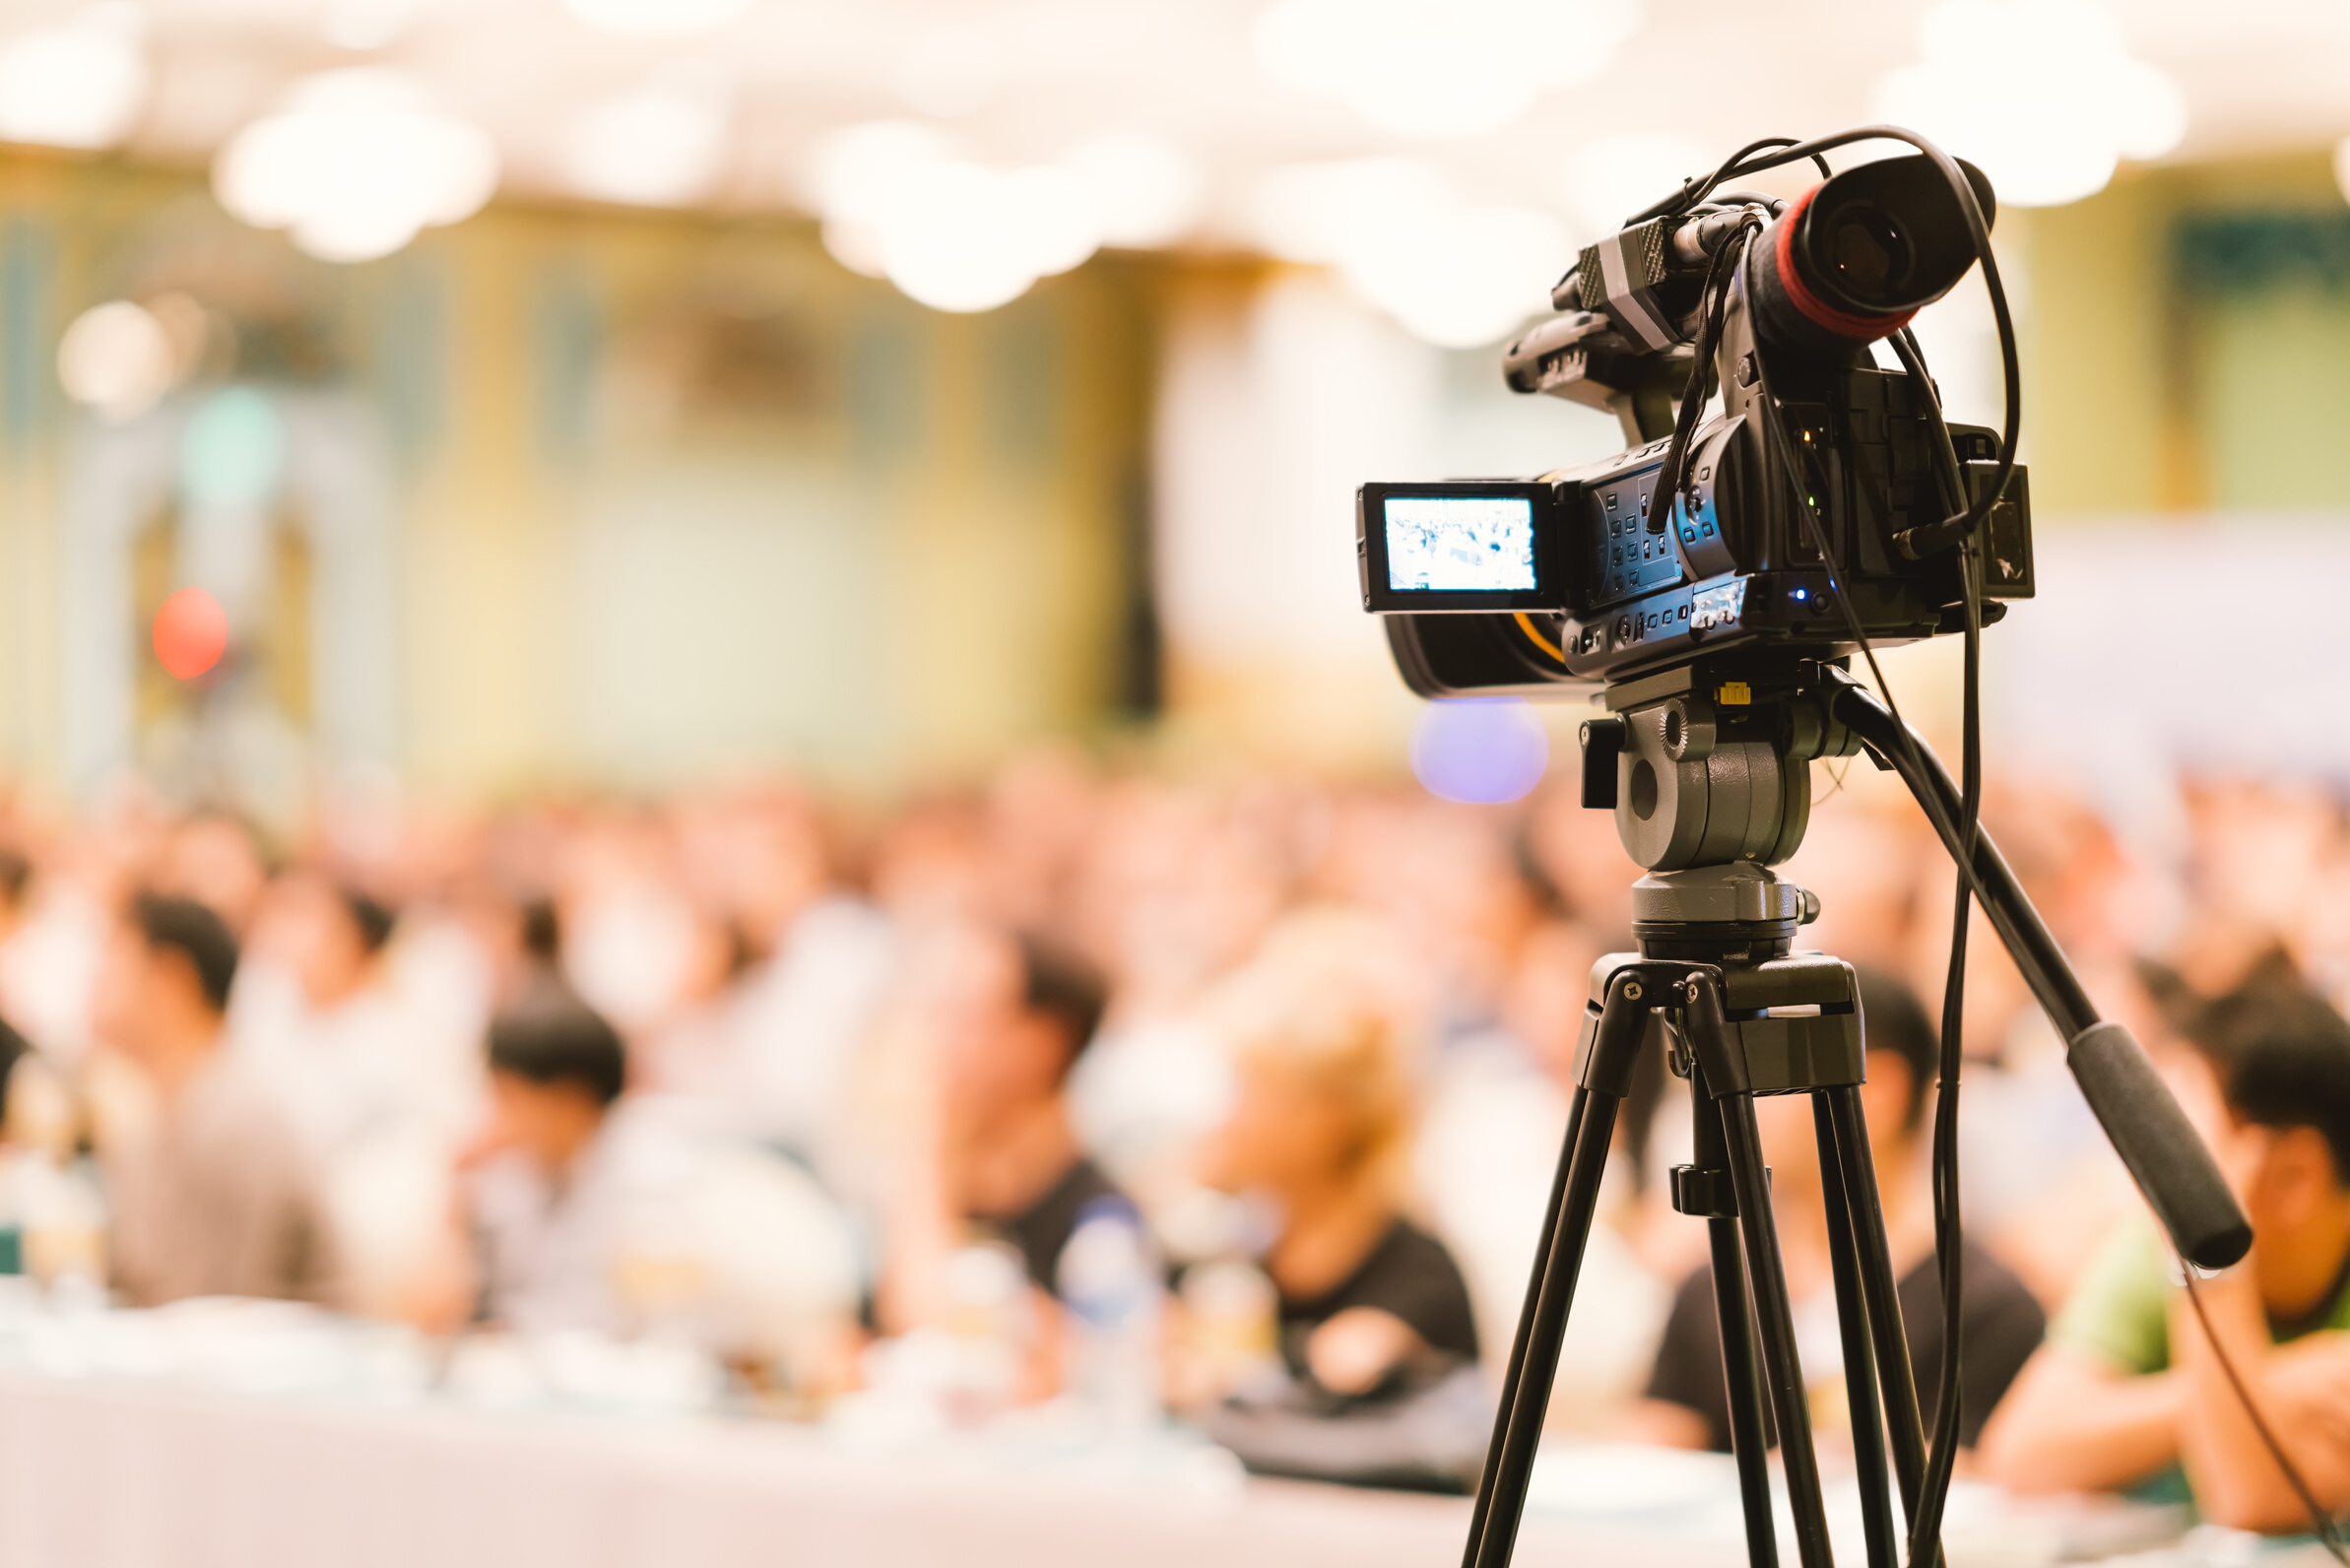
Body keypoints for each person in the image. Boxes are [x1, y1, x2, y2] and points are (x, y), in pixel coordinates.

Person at [1622, 967, 2045, 1454]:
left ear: (1878, 1091)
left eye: (1768, 1069)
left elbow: (1990, 1481)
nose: (1737, 1094)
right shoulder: (1716, 1285)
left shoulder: (1983, 1309)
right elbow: (1656, 1436)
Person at [1980, 991, 2350, 1530]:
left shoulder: (2193, 1257)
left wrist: (2212, 1264)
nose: (2151, 1162)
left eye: (2181, 1134)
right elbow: (2021, 1453)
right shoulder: (2151, 1250)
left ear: (2295, 1175)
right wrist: (2262, 1382)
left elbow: (2249, 1497)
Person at [1196, 934, 1479, 1401]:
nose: (1228, 1121)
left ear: (1323, 1119)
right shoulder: (1234, 1254)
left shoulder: (1421, 1282)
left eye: (1251, 1093)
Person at [97, 892, 341, 1307]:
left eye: (111, 972)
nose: (94, 990)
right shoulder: (156, 1118)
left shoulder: (238, 1124)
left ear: (170, 983)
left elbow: (214, 1312)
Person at [458, 985, 633, 1336]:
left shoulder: (643, 1184)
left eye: (510, 1098)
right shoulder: (517, 1177)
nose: (497, 1118)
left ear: (570, 1103)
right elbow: (442, 1313)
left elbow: (601, 1328)